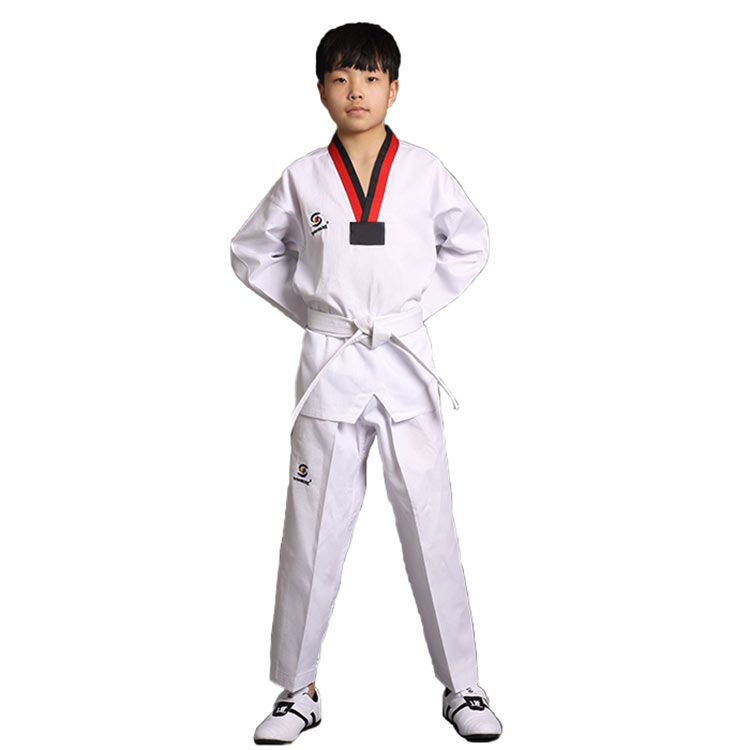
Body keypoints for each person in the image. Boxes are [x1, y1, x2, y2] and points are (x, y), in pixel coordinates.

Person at [230, 21, 503, 745]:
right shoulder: (302, 178)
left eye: (372, 77)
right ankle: (298, 689)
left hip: (406, 360)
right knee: (312, 526)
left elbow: (471, 242)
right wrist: (316, 313)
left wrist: (411, 310)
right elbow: (251, 252)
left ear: (395, 88)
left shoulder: (424, 171)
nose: (357, 90)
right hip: (332, 362)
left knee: (431, 522)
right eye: (342, 77)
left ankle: (464, 684)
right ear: (321, 89)